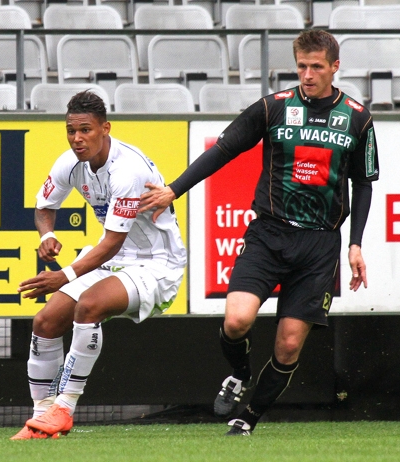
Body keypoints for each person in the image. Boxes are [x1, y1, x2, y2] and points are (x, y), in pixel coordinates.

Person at [139, 29, 379, 436]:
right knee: (236, 322)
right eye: (301, 66)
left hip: (320, 244)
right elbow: (225, 148)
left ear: (334, 67)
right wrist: (173, 189)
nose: (307, 74)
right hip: (269, 234)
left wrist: (355, 244)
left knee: (288, 345)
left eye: (316, 66)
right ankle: (238, 373)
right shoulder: (274, 108)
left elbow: (365, 183)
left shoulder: (357, 118)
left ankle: (247, 418)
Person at [10, 90, 187, 440]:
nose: (78, 138)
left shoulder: (128, 170)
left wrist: (63, 275)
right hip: (114, 259)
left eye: (86, 130)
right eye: (71, 130)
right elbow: (44, 206)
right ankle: (40, 417)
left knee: (89, 306)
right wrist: (46, 236)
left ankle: (65, 407)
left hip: (156, 265)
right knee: (45, 321)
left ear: (105, 128)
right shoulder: (69, 163)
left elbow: (111, 243)